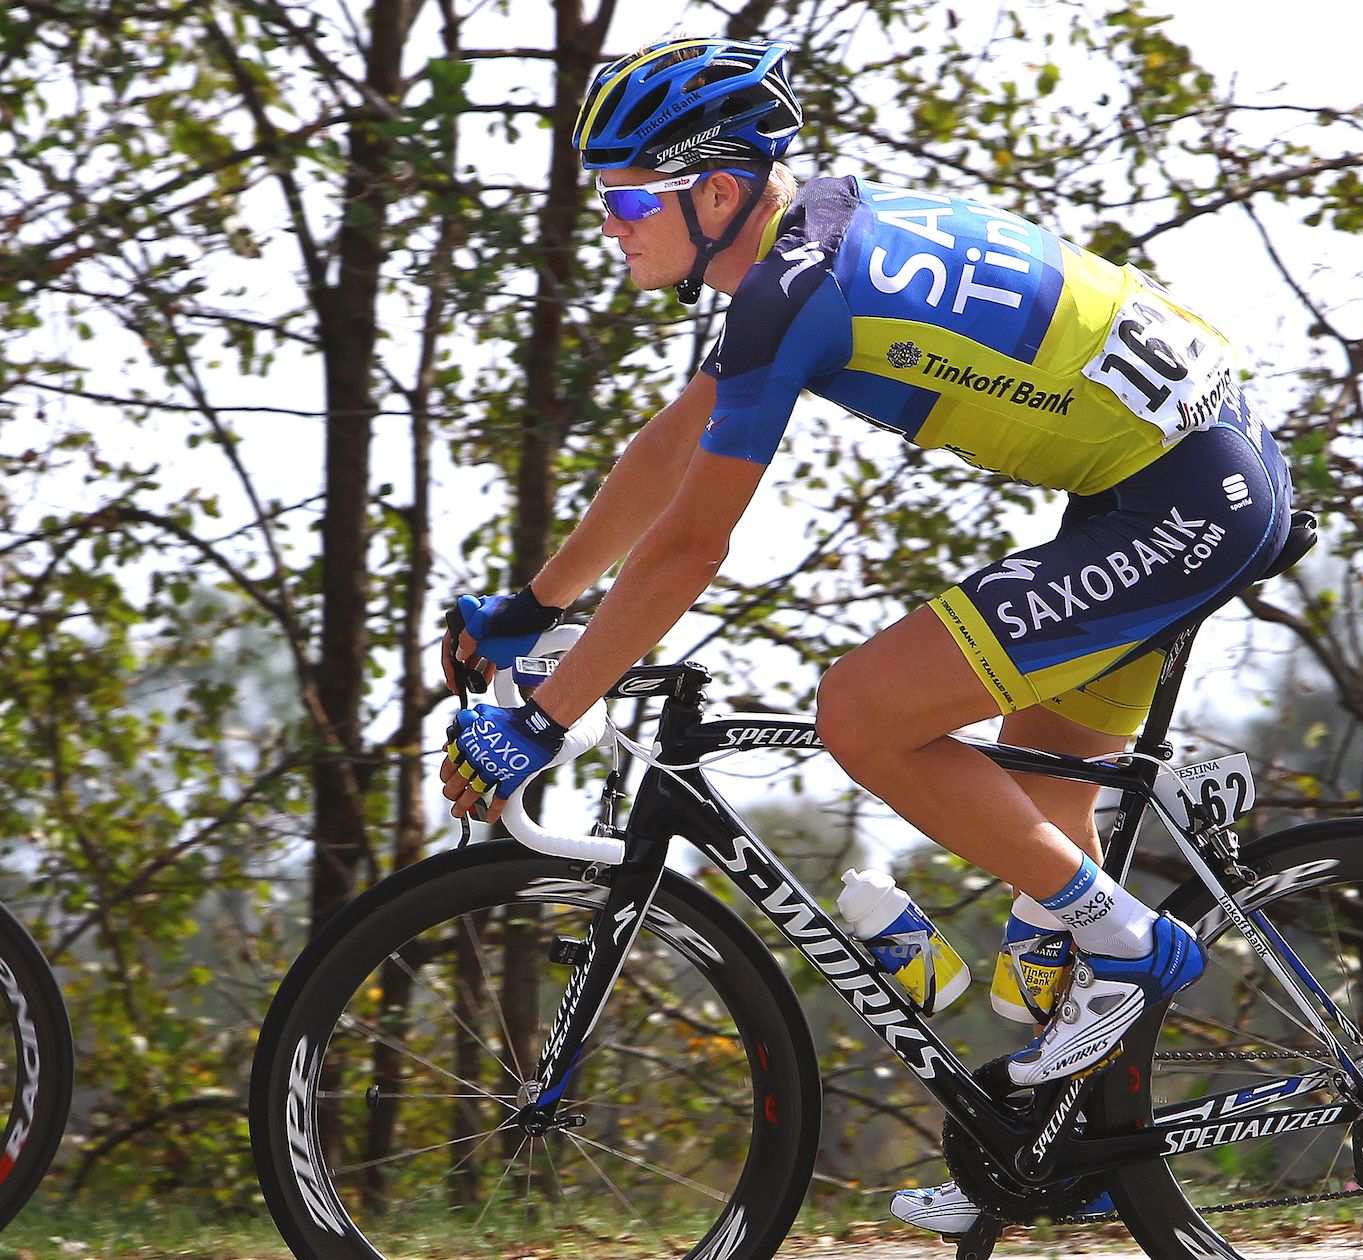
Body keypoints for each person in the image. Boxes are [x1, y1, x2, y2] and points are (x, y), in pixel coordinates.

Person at [438, 35, 1292, 1233]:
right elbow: (674, 447)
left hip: (1184, 496)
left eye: (628, 202)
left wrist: (544, 716)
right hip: (1170, 477)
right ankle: (1066, 1157)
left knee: (864, 713)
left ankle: (1137, 947)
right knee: (1042, 856)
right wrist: (538, 606)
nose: (612, 228)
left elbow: (688, 551)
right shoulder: (806, 242)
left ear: (716, 194)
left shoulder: (793, 290)